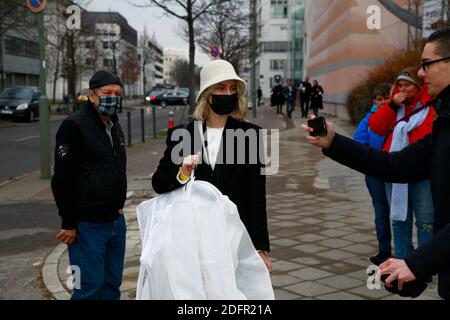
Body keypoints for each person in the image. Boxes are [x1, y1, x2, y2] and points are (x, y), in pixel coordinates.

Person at [301, 27, 450, 299]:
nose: (420, 73)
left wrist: (416, 264)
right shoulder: (444, 122)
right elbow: (394, 165)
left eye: (427, 64)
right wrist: (334, 142)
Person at [151, 59, 272, 273]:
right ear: (207, 95)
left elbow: (255, 195)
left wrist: (260, 248)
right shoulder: (185, 135)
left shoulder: (250, 135)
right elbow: (159, 183)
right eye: (221, 88)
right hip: (193, 241)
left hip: (235, 237)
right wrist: (182, 173)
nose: (228, 94)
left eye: (232, 89)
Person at [51, 70, 127, 300]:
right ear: (92, 95)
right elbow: (62, 177)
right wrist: (69, 222)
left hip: (115, 221)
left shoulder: (113, 123)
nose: (113, 97)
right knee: (88, 290)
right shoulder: (74, 126)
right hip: (87, 226)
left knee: (111, 287)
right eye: (107, 92)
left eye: (117, 93)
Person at [368, 68, 436, 261]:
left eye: (408, 85)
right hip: (395, 172)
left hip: (422, 173)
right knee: (399, 219)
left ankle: (425, 261)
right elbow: (376, 126)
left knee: (425, 220)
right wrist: (391, 105)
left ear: (418, 86)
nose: (403, 89)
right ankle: (401, 258)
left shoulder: (430, 106)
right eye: (400, 85)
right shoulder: (395, 108)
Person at [353, 84, 392, 265]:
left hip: (397, 170)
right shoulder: (369, 120)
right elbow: (358, 143)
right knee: (381, 211)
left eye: (385, 98)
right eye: (378, 99)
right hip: (376, 173)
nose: (382, 102)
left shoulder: (399, 116)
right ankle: (384, 248)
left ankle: (404, 249)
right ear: (374, 101)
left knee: (403, 214)